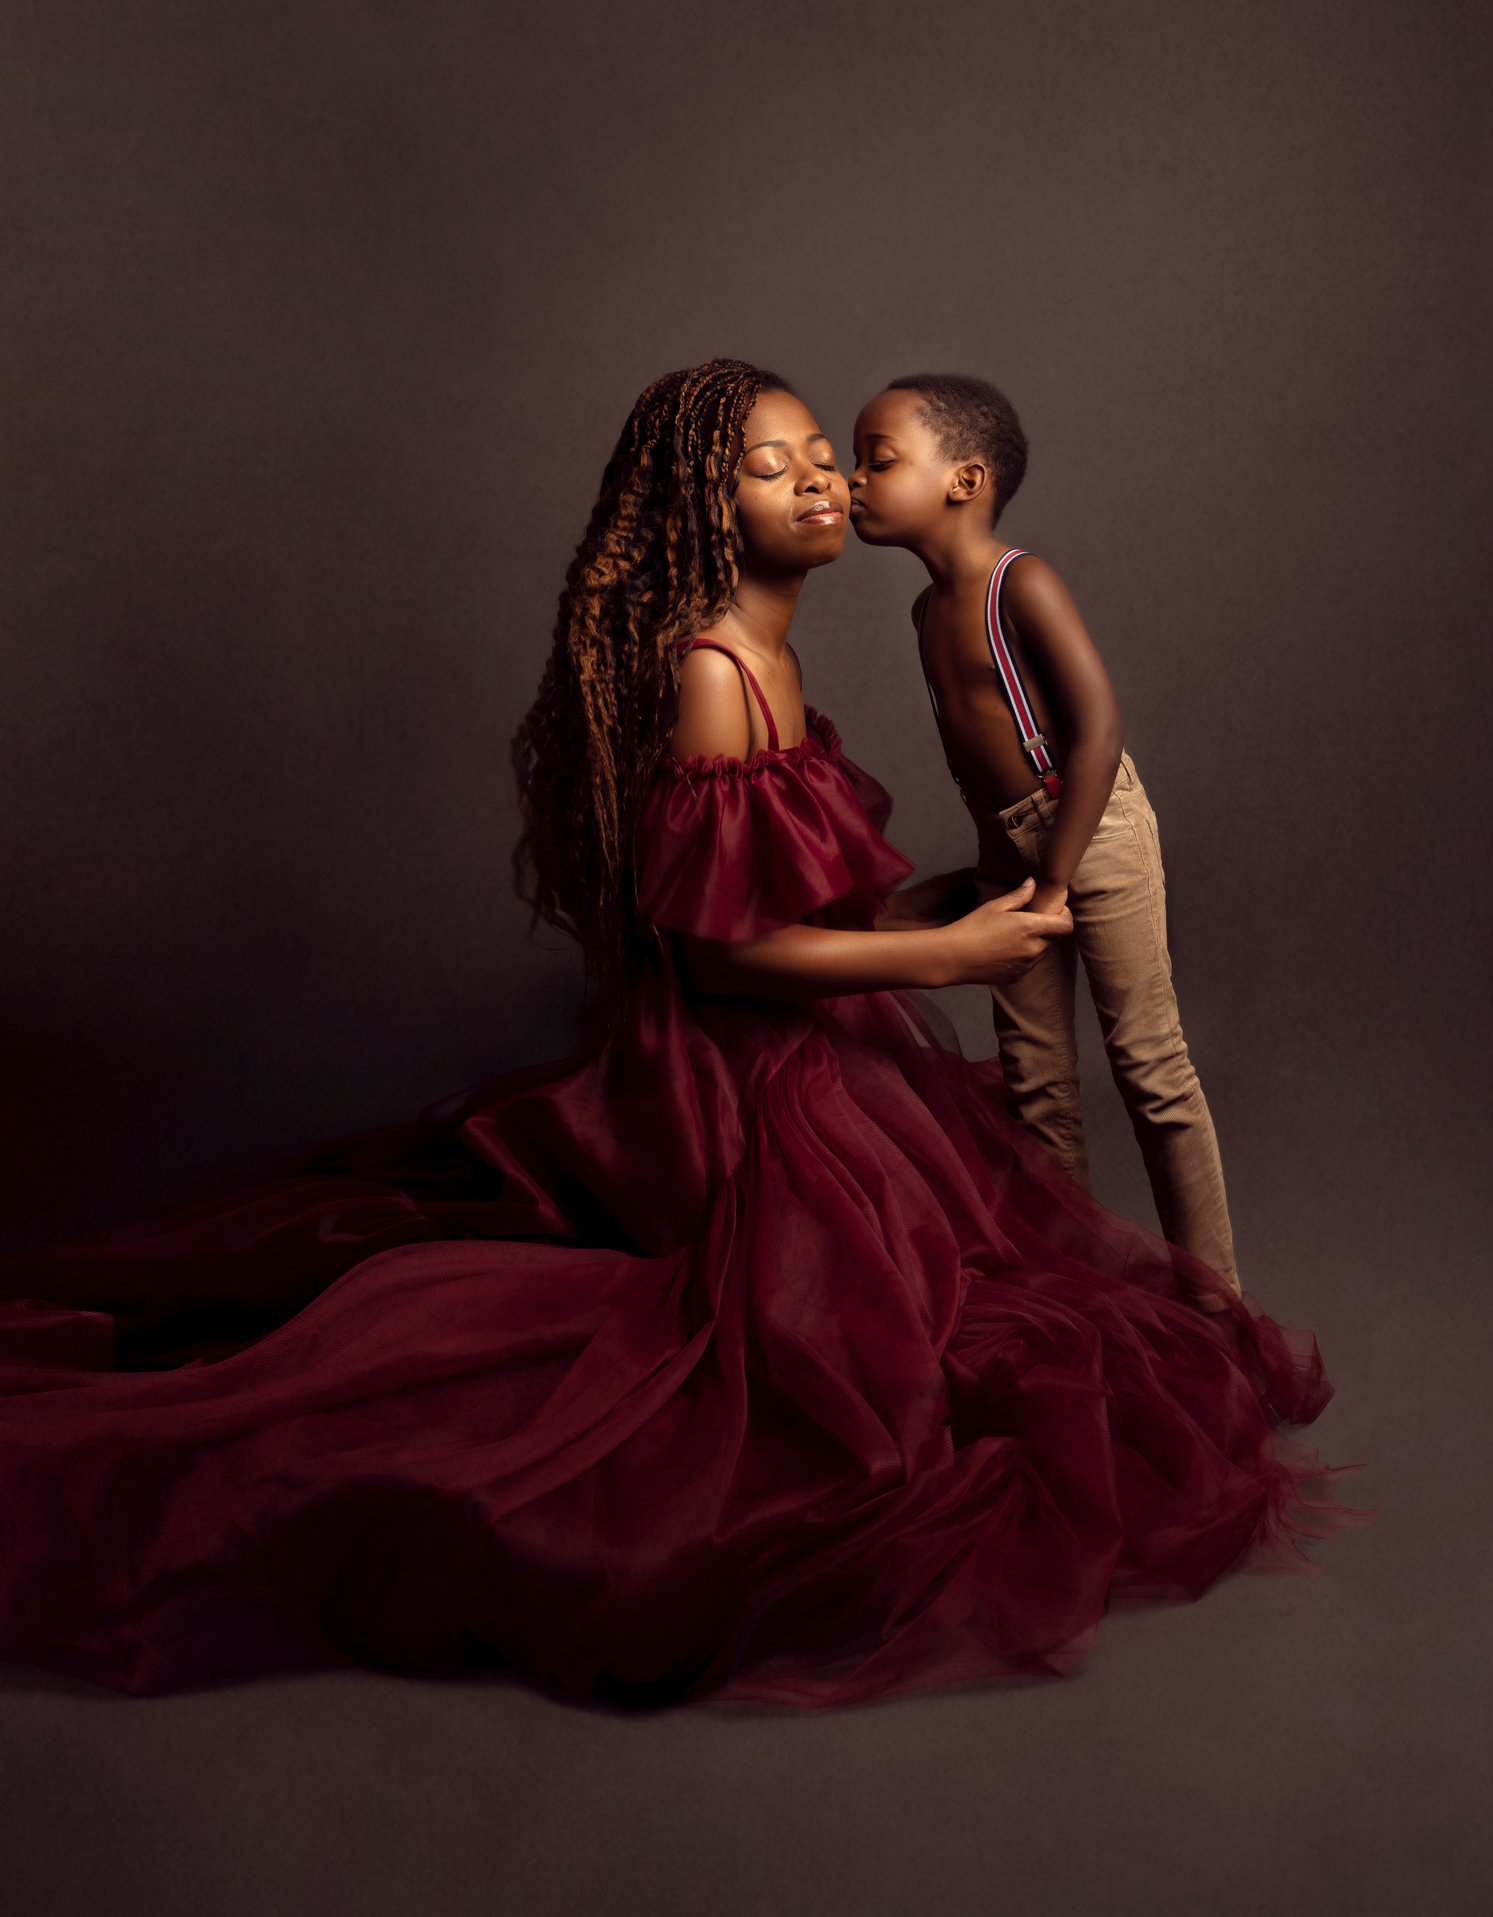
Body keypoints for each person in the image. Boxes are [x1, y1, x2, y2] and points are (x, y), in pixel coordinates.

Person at [0, 360, 1354, 1708]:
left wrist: (913, 905)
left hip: (807, 1033)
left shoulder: (779, 652)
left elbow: (783, 876)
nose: (823, 477)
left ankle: (1177, 1290)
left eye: (828, 452)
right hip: (726, 1070)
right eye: (774, 466)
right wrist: (941, 953)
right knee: (829, 1389)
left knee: (1005, 1283)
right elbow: (723, 949)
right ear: (704, 511)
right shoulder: (714, 673)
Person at [850, 374, 1241, 1289]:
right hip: (1007, 849)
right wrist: (991, 878)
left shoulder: (1017, 582)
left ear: (964, 479)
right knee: (1034, 1082)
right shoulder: (922, 611)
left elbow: (1098, 730)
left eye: (880, 460)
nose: (856, 480)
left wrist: (1057, 879)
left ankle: (1218, 1297)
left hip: (1089, 828)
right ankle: (1078, 1292)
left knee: (1150, 1066)